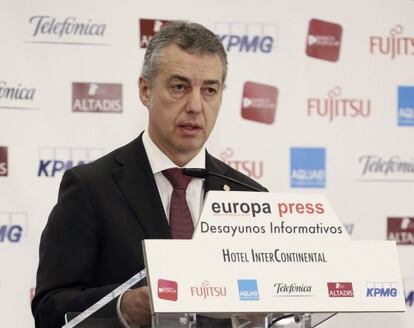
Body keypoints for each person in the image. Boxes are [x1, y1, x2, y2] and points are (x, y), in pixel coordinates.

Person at [32, 21, 267, 328]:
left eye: (209, 90)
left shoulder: (249, 196)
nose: (195, 106)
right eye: (179, 87)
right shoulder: (91, 187)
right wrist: (122, 308)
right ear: (145, 90)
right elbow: (49, 308)